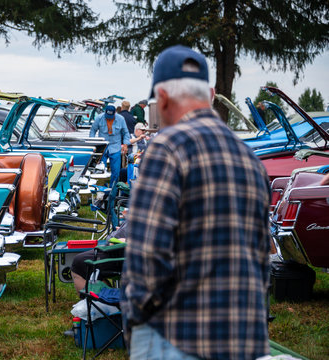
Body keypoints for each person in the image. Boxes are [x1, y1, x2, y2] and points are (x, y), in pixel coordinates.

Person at [121, 45, 271, 359]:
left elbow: (147, 258)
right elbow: (262, 258)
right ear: (212, 93)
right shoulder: (251, 159)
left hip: (178, 337)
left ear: (161, 97)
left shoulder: (167, 148)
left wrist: (135, 318)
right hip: (244, 340)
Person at [90, 105, 130, 187]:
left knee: (116, 172)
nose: (109, 118)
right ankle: (101, 189)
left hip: (115, 147)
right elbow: (93, 130)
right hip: (102, 147)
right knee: (99, 170)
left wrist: (126, 144)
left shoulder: (121, 119)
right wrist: (92, 143)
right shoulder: (99, 118)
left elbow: (126, 133)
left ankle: (112, 190)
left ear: (115, 113)